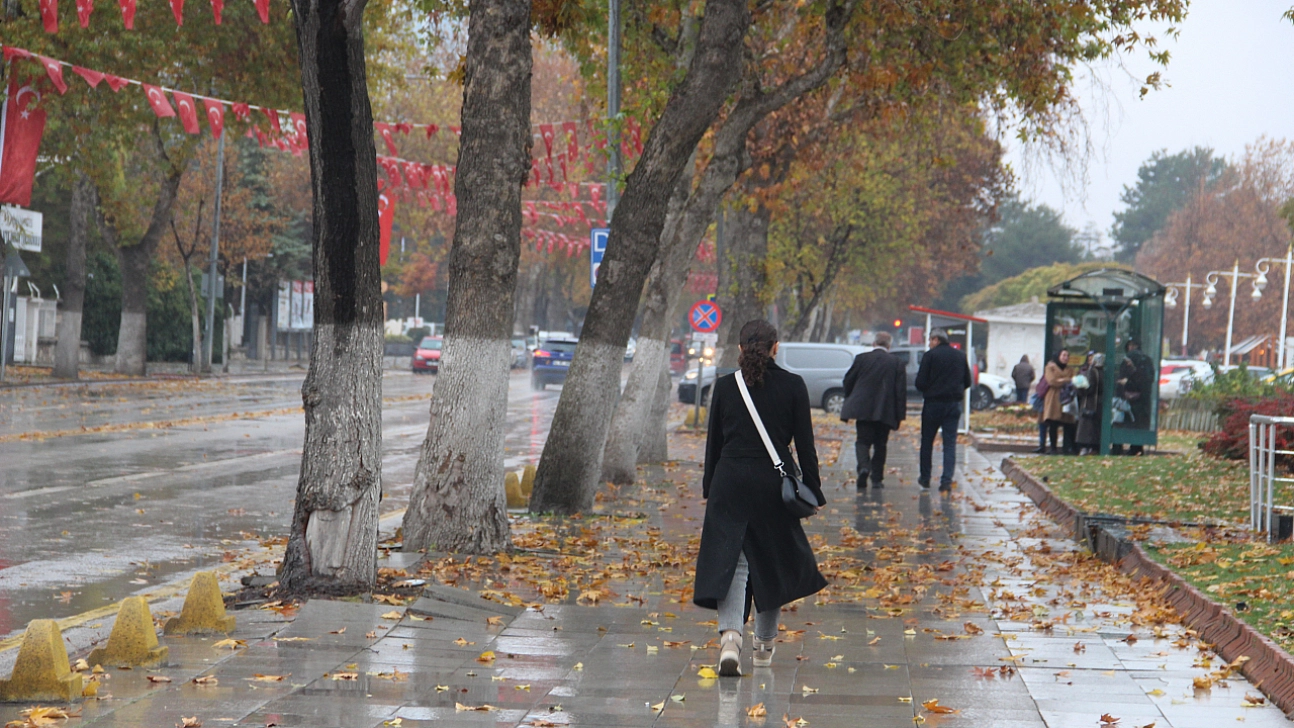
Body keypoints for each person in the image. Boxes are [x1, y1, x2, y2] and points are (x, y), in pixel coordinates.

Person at [693, 319, 827, 677]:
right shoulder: (794, 385)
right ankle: (764, 646)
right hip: (773, 485)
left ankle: (730, 640)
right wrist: (812, 489)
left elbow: (713, 445)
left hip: (730, 481)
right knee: (772, 562)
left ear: (740, 349)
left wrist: (710, 486)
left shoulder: (724, 386)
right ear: (776, 347)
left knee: (733, 563)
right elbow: (806, 445)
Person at [840, 332, 906, 489]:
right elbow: (900, 392)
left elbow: (848, 380)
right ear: (889, 346)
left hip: (863, 409)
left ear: (874, 344)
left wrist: (851, 398)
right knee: (880, 445)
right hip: (886, 410)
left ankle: (864, 467)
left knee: (862, 441)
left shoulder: (862, 359)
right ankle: (877, 479)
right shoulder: (897, 362)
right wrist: (899, 416)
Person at [915, 328, 971, 492]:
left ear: (936, 340)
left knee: (927, 441)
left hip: (933, 404)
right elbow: (967, 381)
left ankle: (925, 478)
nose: (929, 343)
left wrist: (931, 388)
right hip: (953, 405)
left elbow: (920, 383)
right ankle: (946, 480)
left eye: (930, 340)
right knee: (949, 443)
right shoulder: (960, 356)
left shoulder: (930, 356)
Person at [1113, 339, 1153, 455]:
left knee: (1121, 422)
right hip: (1142, 400)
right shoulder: (1147, 360)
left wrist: (1126, 383)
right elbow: (1148, 380)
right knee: (1137, 424)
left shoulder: (1128, 360)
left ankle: (1118, 447)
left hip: (1127, 399)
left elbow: (1122, 379)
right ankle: (1136, 447)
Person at [1040, 349, 1076, 454]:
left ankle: (1068, 448)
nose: (1066, 358)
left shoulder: (1070, 369)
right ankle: (1053, 448)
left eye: (1067, 355)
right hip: (1053, 398)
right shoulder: (1050, 367)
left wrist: (1061, 380)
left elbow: (1074, 380)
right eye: (1064, 355)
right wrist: (1067, 380)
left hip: (1067, 398)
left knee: (1068, 423)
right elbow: (1052, 381)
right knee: (1053, 424)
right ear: (1058, 356)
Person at [1075, 352, 1104, 454]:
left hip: (1089, 403)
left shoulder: (1092, 371)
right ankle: (1094, 448)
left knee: (1087, 428)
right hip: (1099, 404)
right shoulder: (1104, 372)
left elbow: (1089, 388)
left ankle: (1086, 447)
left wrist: (1080, 386)